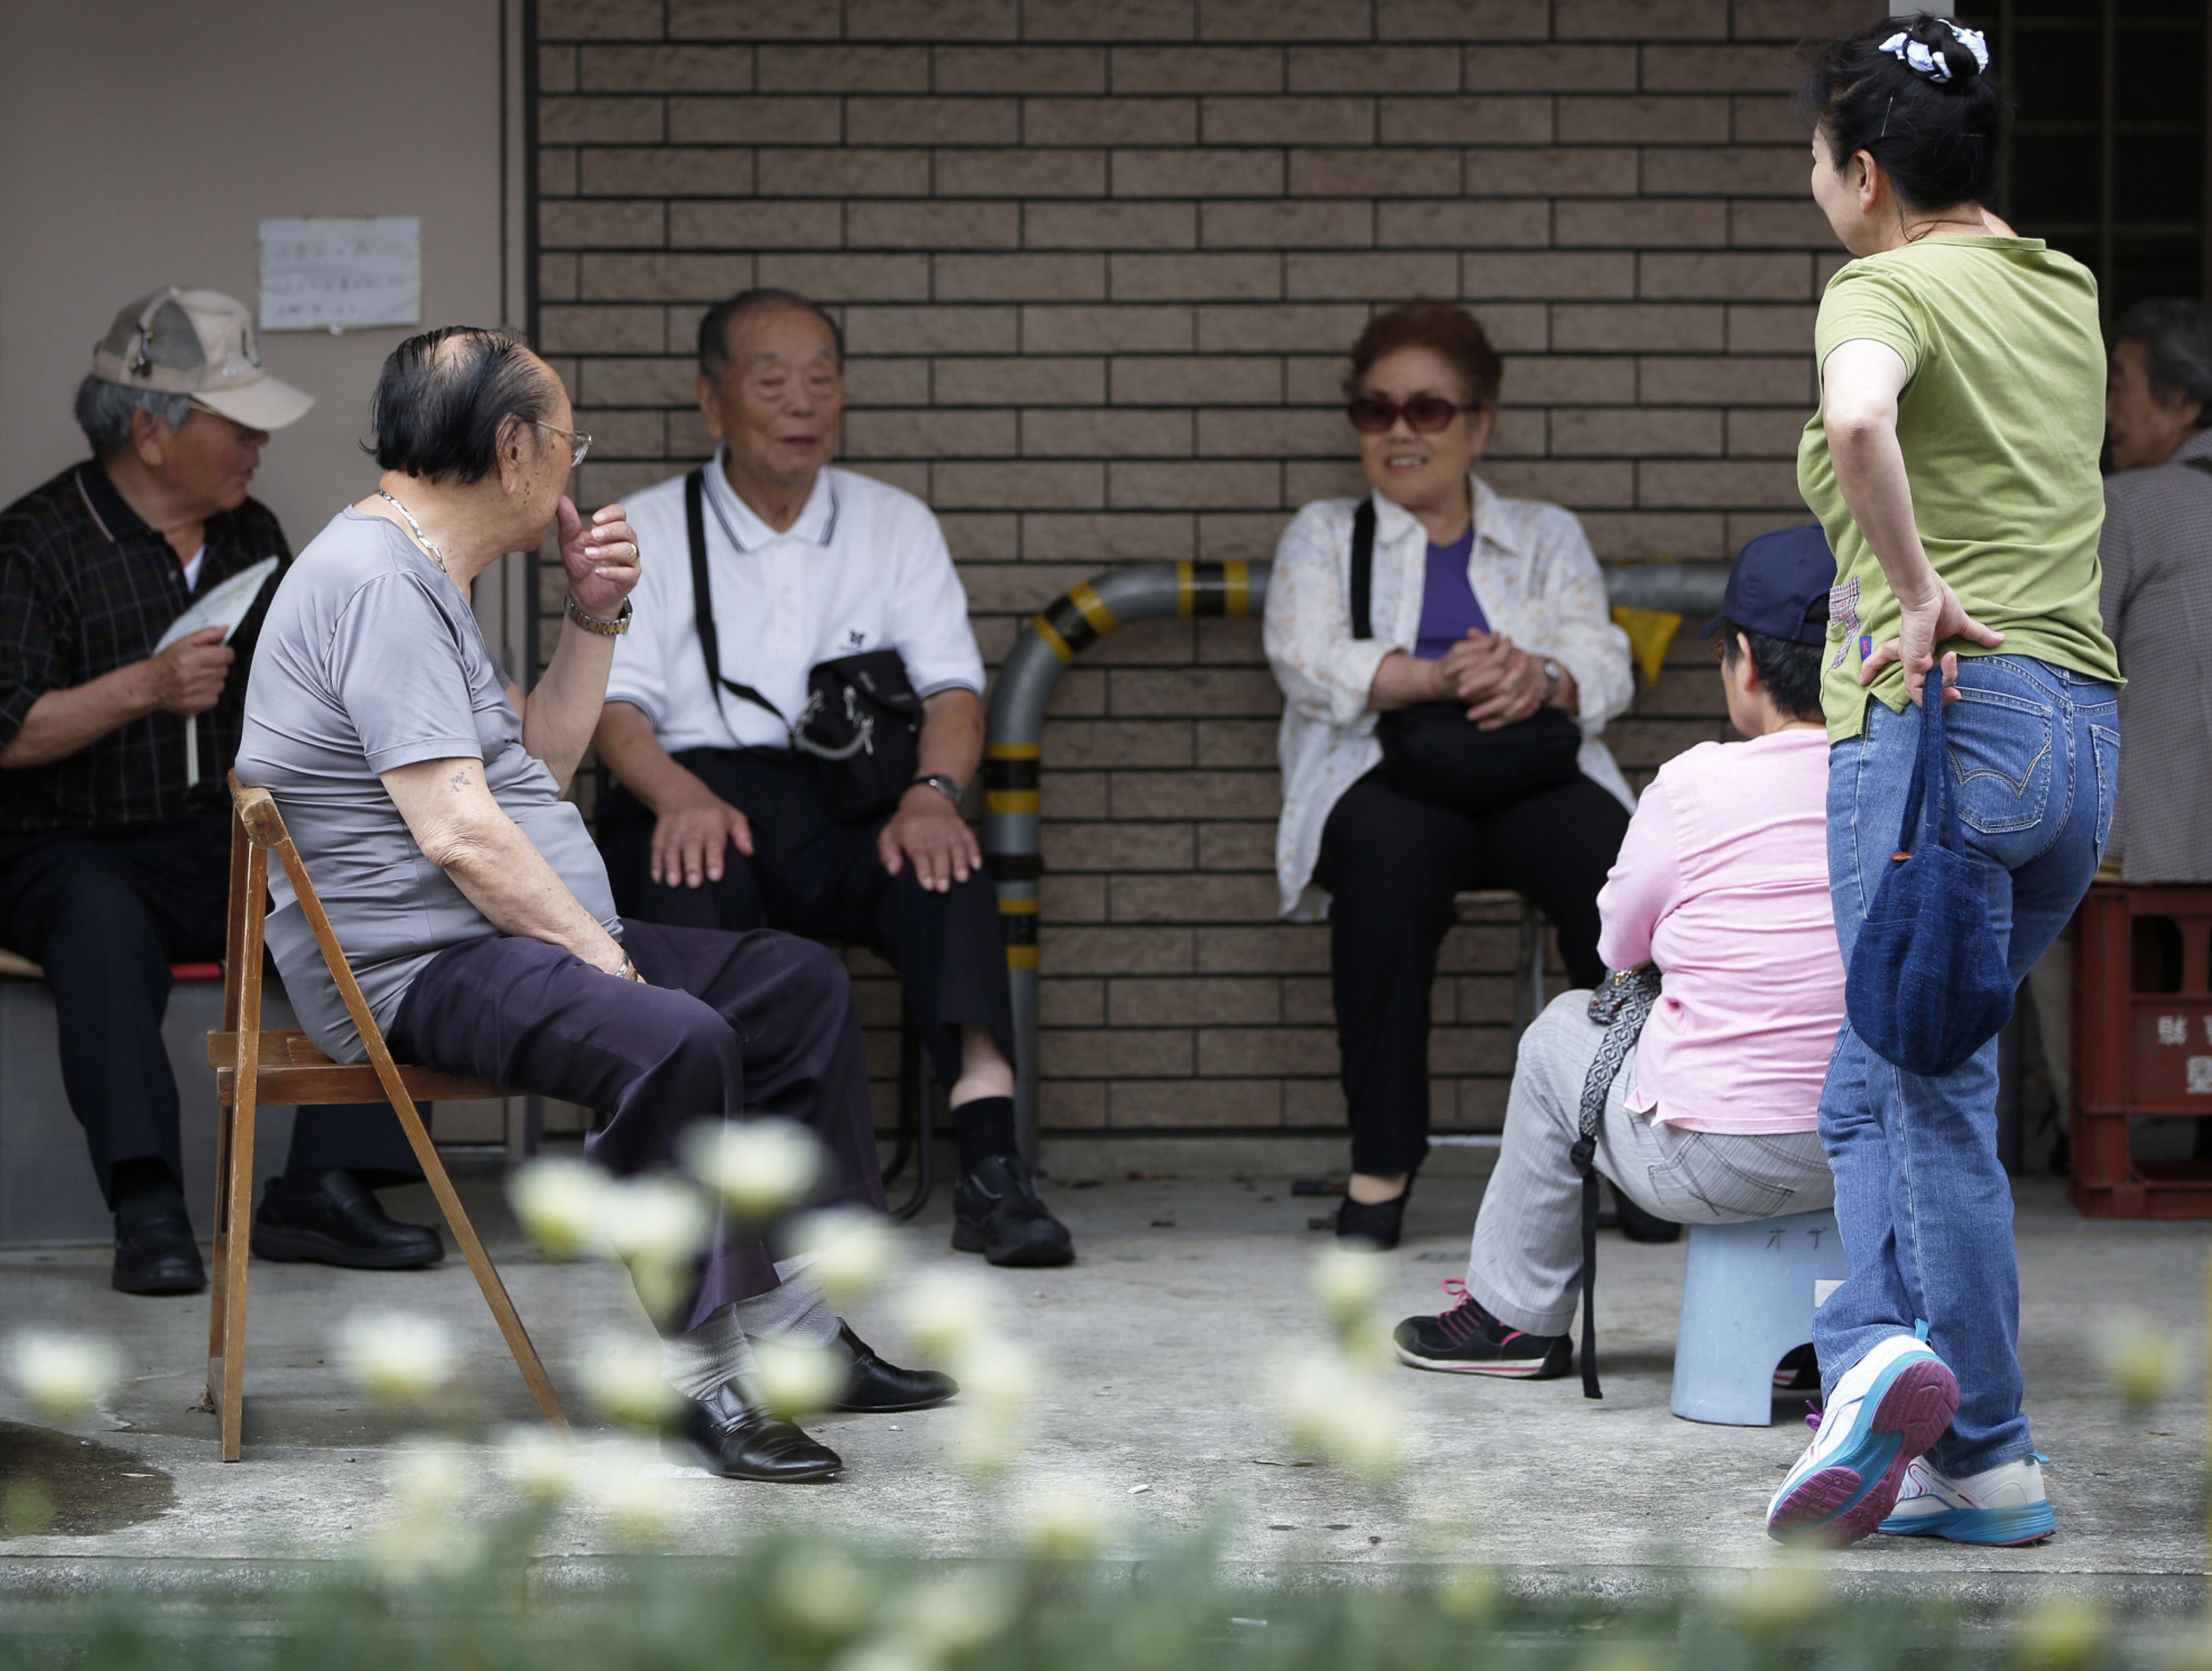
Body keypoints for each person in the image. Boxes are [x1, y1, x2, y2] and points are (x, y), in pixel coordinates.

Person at [236, 326, 951, 1483]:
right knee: (672, 1035)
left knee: (796, 984)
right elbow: (456, 832)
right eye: (569, 443)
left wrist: (593, 614)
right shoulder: (375, 583)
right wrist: (597, 957)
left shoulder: (419, 569)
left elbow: (535, 770)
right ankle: (705, 1378)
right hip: (417, 967)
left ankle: (802, 1331)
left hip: (491, 934)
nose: (574, 466)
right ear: (513, 449)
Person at [1769, 14, 2121, 1549]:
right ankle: (1903, 1394)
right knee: (1875, 1085)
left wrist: (1912, 589)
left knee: (1925, 1096)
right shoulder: (2061, 286)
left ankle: (1958, 1430)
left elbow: (1858, 414)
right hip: (2075, 741)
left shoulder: (1880, 284)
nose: (1815, 191)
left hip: (1941, 726)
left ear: (1865, 174)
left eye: (1815, 163)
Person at [590, 288, 1072, 1269]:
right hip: (698, 791)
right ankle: (720, 1181)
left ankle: (993, 1165)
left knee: (946, 870)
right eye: (771, 380)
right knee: (686, 871)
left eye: (821, 378)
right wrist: (677, 796)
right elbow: (614, 709)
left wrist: (931, 796)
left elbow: (952, 693)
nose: (801, 402)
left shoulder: (894, 522)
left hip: (850, 801)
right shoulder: (646, 526)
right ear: (712, 399)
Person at [0, 287, 436, 1298]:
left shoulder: (251, 536)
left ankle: (322, 1184)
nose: (257, 446)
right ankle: (147, 1202)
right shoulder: (34, 543)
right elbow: (8, 729)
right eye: (236, 426)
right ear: (150, 433)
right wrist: (145, 688)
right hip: (63, 843)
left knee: (375, 888)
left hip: (216, 832)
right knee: (100, 925)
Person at [1392, 527, 1843, 1382]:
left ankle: (1513, 1318)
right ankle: (1829, 1332)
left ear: (1746, 664)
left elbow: (1617, 946)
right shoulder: (1900, 776)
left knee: (1560, 1031)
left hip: (1711, 1161)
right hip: (1870, 1154)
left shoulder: (1694, 784)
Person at [1263, 298, 1637, 1249]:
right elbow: (1304, 658)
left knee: (1616, 873)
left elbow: (1605, 660)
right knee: (1383, 872)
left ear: (1479, 424)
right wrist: (1437, 675)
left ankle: (1639, 1145)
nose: (1399, 431)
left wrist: (1534, 674)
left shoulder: (1545, 533)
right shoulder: (1325, 532)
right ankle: (1381, 1167)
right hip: (1388, 764)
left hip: (1523, 760)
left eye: (1427, 409)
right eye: (1375, 409)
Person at [2095, 298, 2212, 882]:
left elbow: (2078, 657)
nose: (2107, 411)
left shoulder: (2130, 503)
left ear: (2184, 403)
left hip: (2160, 841)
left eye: (2120, 388)